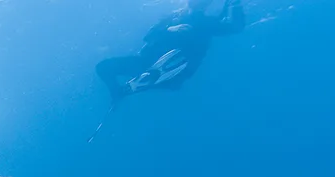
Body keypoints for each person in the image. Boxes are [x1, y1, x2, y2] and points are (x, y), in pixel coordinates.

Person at [95, 0, 246, 103]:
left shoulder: (206, 24)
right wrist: (169, 29)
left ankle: (140, 85)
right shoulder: (173, 17)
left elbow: (234, 26)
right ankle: (120, 92)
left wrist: (233, 3)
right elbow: (148, 36)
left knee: (173, 83)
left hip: (178, 71)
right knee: (103, 67)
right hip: (147, 61)